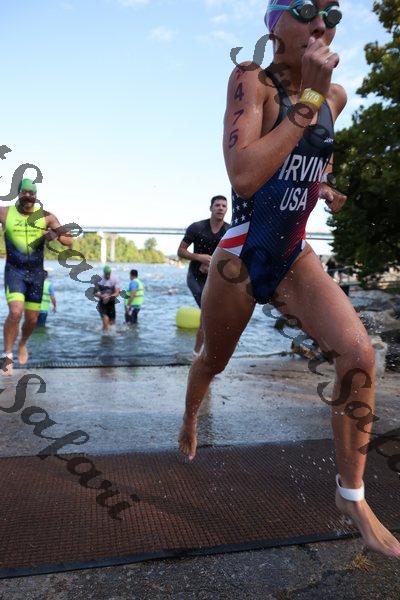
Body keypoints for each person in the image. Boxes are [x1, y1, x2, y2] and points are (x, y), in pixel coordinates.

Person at [179, 0, 400, 557]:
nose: (322, 23)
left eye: (333, 14)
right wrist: (306, 102)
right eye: (305, 9)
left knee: (358, 354)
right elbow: (245, 177)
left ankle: (351, 495)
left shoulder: (336, 96)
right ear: (274, 23)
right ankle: (190, 413)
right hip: (241, 253)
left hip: (294, 253)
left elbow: (308, 159)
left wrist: (323, 186)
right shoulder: (251, 79)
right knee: (213, 362)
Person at [0, 178, 72, 374]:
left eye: (31, 193)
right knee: (15, 312)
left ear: (36, 196)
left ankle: (22, 343)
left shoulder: (46, 217)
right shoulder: (5, 213)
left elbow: (69, 240)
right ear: (18, 194)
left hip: (36, 275)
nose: (27, 196)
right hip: (14, 272)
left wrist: (55, 234)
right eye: (24, 192)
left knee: (32, 319)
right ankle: (7, 356)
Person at [177, 196, 229, 354]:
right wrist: (199, 257)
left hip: (217, 277)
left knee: (213, 315)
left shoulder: (230, 231)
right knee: (208, 312)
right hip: (195, 276)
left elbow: (234, 257)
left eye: (224, 206)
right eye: (217, 205)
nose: (220, 208)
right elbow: (181, 251)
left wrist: (214, 266)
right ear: (211, 208)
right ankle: (200, 354)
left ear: (227, 209)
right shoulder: (197, 227)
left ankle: (201, 353)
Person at [95, 265, 121, 331]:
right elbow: (95, 293)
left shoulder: (115, 279)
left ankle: (108, 333)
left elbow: (117, 293)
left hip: (111, 303)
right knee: (105, 319)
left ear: (110, 273)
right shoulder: (99, 280)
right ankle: (105, 334)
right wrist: (101, 296)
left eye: (109, 274)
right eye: (106, 274)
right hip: (102, 303)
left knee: (112, 323)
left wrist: (109, 297)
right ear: (104, 273)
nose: (107, 276)